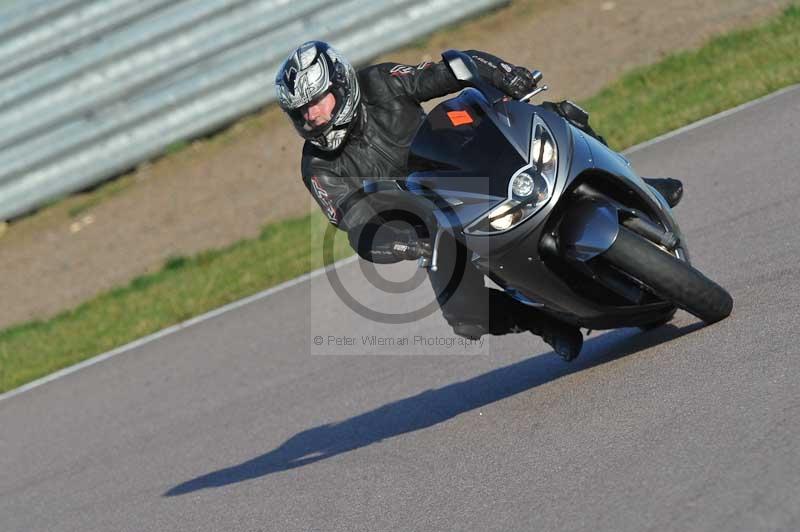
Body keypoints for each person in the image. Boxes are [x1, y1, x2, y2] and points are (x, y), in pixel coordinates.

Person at [274, 41, 682, 361]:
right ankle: (542, 321)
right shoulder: (318, 167)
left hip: (460, 158)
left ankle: (632, 182)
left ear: (341, 85)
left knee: (558, 115)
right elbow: (355, 220)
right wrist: (398, 241)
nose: (312, 116)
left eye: (317, 101)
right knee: (465, 318)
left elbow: (450, 70)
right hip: (432, 218)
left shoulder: (380, 82)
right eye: (302, 111)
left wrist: (507, 76)